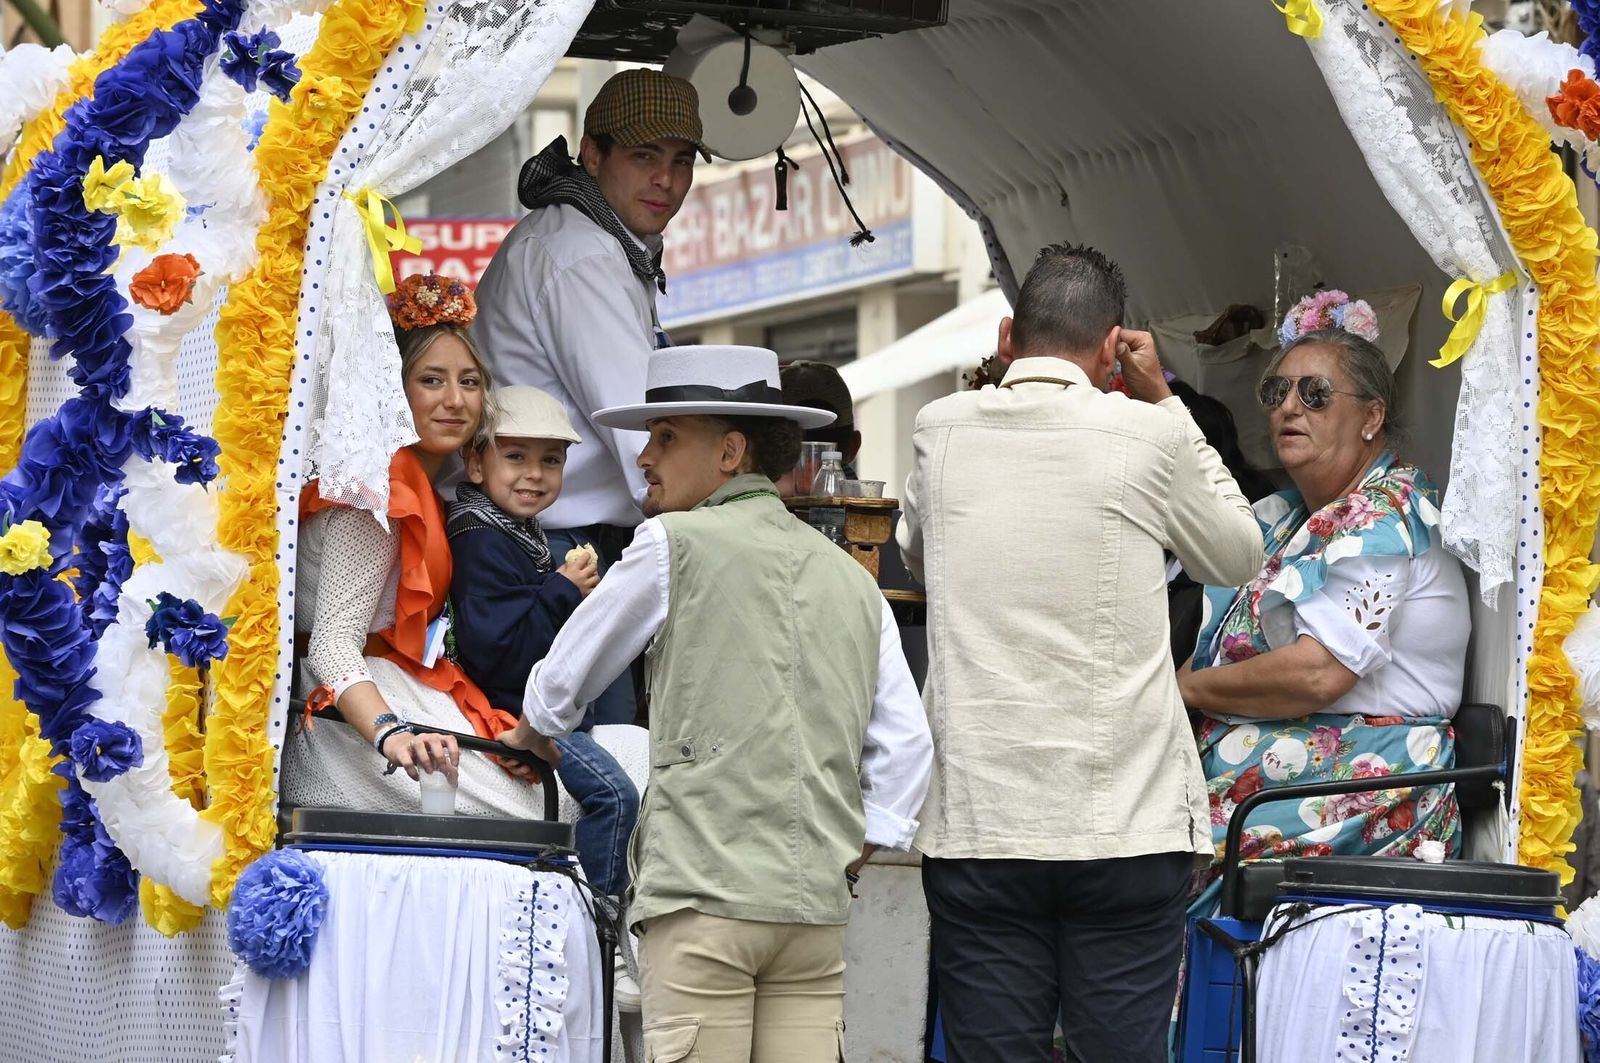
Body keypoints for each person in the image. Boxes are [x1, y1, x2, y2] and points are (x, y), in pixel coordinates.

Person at [498, 344, 934, 1063]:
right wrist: (852, 852)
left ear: (730, 452)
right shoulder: (853, 579)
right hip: (814, 913)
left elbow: (557, 685)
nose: (644, 456)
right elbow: (908, 746)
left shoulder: (672, 542)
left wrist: (536, 730)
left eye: (667, 436)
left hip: (704, 901)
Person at [895, 243, 1262, 1063]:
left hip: (983, 826)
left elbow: (919, 553)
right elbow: (1238, 553)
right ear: (1111, 350)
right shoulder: (1143, 433)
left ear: (1006, 336)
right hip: (1124, 823)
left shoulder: (940, 428)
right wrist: (1165, 400)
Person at [1178, 293, 1470, 901]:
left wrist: (1185, 689)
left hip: (1379, 781)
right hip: (1290, 765)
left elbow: (1319, 674)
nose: (1288, 407)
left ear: (1370, 418)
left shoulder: (1387, 516)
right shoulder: (1289, 517)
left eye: (1313, 394)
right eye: (1276, 393)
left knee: (1168, 858)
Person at [471, 68, 707, 725]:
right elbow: (645, 437)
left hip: (558, 540)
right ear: (592, 154)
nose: (666, 180)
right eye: (644, 156)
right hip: (560, 547)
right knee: (603, 774)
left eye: (681, 160)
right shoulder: (582, 254)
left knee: (595, 767)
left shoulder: (599, 242)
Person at [284, 274, 558, 815]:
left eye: (471, 382)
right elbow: (332, 648)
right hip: (345, 718)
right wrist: (392, 735)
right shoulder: (370, 491)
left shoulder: (418, 485)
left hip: (392, 686)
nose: (456, 401)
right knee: (545, 809)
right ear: (393, 388)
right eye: (432, 380)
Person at [447, 385, 640, 898]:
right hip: (521, 709)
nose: (534, 473)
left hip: (538, 704)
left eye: (550, 460)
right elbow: (497, 650)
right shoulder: (481, 536)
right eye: (515, 457)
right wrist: (560, 590)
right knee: (616, 797)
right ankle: (601, 913)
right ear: (476, 464)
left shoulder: (511, 529)